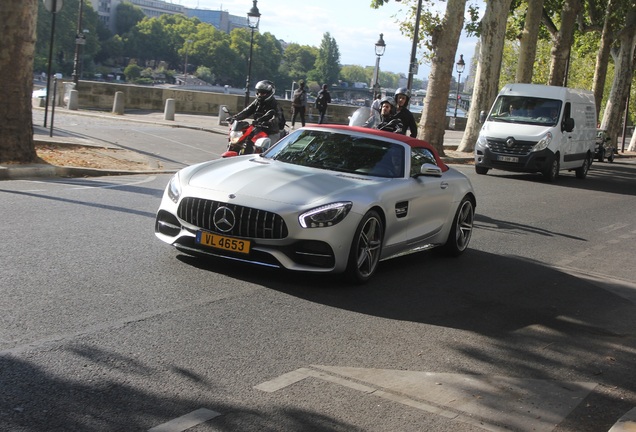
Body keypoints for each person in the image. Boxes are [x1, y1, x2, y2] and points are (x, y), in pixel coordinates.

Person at [227, 80, 280, 153]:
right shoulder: (257, 102)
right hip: (257, 128)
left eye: (263, 93)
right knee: (244, 139)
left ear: (269, 93)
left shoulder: (275, 104)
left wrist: (270, 122)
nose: (260, 95)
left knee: (267, 151)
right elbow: (247, 111)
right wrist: (235, 118)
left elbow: (278, 117)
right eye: (259, 92)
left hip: (270, 130)